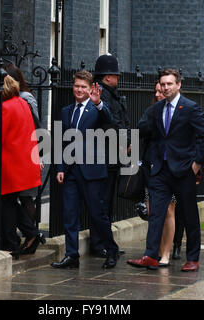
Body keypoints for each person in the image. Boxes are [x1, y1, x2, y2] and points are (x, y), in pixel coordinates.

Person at [127, 68, 204, 271]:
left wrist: (197, 163)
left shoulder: (190, 108)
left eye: (169, 84)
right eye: (163, 84)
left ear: (178, 85)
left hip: (184, 171)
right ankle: (150, 255)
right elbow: (153, 136)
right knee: (155, 213)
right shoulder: (156, 109)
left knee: (190, 215)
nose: (165, 88)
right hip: (160, 171)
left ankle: (192, 258)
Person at [51, 70, 120, 269]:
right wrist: (60, 168)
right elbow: (62, 142)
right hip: (71, 171)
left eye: (83, 87)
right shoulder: (66, 111)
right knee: (70, 215)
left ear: (91, 89)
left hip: (92, 171)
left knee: (97, 215)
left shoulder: (96, 109)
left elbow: (109, 120)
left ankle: (111, 249)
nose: (79, 90)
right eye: (77, 86)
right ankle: (72, 255)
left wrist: (98, 103)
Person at [88, 53, 131, 258]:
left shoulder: (110, 94)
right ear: (107, 77)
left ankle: (106, 242)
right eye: (115, 75)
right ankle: (100, 244)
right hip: (105, 156)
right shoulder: (102, 95)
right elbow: (111, 124)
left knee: (107, 202)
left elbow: (122, 121)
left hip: (113, 155)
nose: (118, 78)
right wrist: (124, 143)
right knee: (102, 202)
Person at [0, 75, 44, 259]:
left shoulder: (5, 107)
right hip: (22, 162)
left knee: (7, 204)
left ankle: (11, 244)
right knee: (11, 202)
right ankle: (31, 233)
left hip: (10, 163)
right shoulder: (21, 102)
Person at [138, 80, 177, 267]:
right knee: (153, 211)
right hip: (152, 168)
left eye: (161, 91)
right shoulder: (152, 111)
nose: (158, 94)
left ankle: (166, 253)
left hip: (173, 169)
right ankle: (157, 250)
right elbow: (141, 129)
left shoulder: (180, 110)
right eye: (156, 92)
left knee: (169, 210)